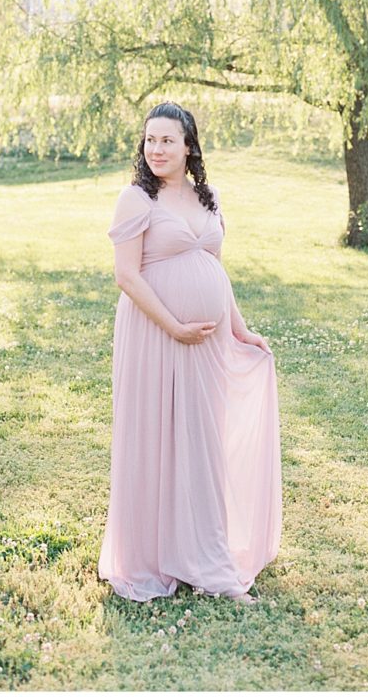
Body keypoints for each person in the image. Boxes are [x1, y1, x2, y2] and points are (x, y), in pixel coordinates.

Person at [97, 100, 282, 603]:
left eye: (167, 141)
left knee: (202, 439)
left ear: (188, 147)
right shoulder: (136, 199)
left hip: (204, 340)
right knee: (154, 437)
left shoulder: (208, 197)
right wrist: (174, 326)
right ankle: (153, 556)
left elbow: (215, 269)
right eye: (149, 140)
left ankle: (207, 558)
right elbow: (126, 275)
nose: (156, 149)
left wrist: (240, 330)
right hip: (153, 334)